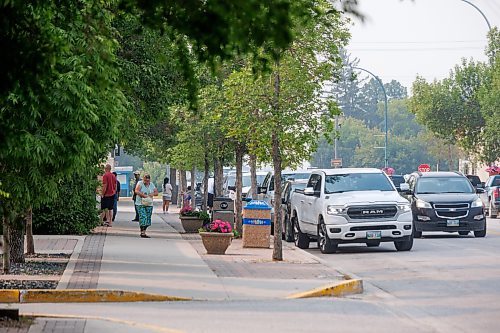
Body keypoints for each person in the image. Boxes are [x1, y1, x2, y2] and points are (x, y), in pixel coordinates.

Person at [134, 173, 158, 238]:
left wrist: (152, 194)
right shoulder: (140, 183)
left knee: (148, 218)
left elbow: (156, 193)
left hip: (149, 203)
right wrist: (143, 195)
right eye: (145, 180)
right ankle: (142, 232)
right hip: (140, 203)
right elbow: (136, 191)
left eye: (147, 181)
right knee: (143, 217)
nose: (146, 182)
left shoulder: (152, 184)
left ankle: (144, 230)